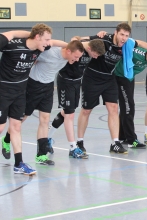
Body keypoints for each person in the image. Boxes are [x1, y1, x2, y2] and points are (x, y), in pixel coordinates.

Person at [2, 40, 86, 165]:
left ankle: (41, 155)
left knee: (45, 119)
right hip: (33, 86)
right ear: (68, 51)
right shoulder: (49, 53)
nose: (77, 60)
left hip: (48, 87)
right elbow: (36, 53)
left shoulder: (68, 54)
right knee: (22, 118)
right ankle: (6, 140)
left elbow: (71, 43)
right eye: (76, 56)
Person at [76, 23, 147, 154]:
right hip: (92, 78)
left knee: (113, 108)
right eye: (122, 34)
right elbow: (79, 41)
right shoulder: (103, 39)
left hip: (109, 79)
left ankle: (115, 143)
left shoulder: (128, 44)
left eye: (126, 36)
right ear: (116, 32)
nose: (124, 38)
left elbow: (139, 42)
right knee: (86, 111)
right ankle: (79, 142)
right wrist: (76, 41)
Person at [0, 24, 52, 175]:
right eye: (46, 39)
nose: (48, 43)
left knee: (16, 127)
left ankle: (18, 164)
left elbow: (55, 43)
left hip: (20, 93)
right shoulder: (12, 45)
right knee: (1, 127)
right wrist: (16, 32)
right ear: (37, 37)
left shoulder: (41, 47)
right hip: (2, 91)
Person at [48, 39, 105, 156]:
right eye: (94, 54)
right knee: (70, 115)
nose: (95, 57)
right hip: (65, 82)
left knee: (66, 112)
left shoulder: (91, 50)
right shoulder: (79, 48)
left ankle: (46, 138)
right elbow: (74, 41)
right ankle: (73, 148)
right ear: (89, 49)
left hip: (77, 82)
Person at [114, 45, 147, 148]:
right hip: (120, 77)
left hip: (129, 78)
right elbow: (128, 44)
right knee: (129, 107)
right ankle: (131, 140)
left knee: (126, 106)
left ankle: (122, 135)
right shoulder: (136, 54)